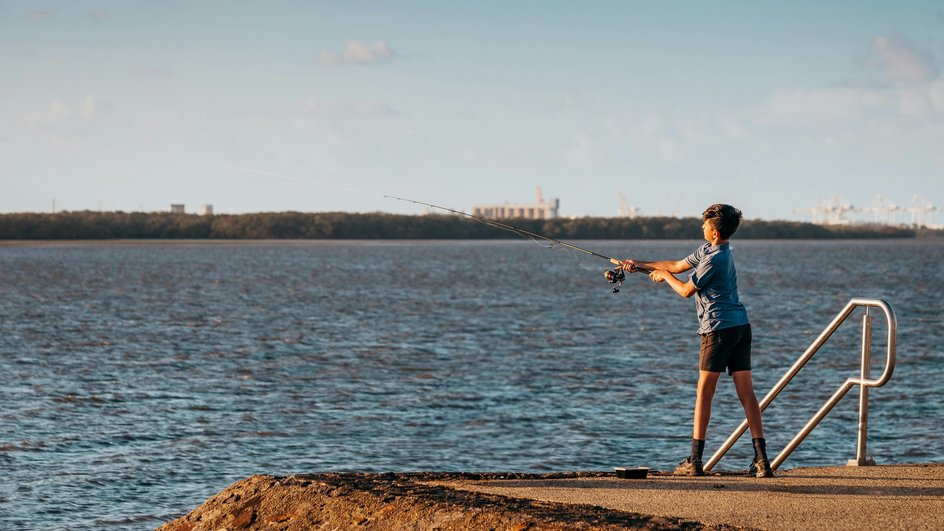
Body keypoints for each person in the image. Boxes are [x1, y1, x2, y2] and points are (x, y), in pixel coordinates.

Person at [612, 204, 773, 478]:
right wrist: (637, 264)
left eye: (705, 225)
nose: (701, 227)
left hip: (719, 330)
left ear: (715, 232)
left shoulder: (715, 259)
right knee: (747, 393)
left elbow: (686, 290)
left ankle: (695, 461)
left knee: (704, 393)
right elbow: (675, 265)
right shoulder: (710, 250)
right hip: (740, 327)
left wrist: (665, 277)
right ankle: (762, 462)